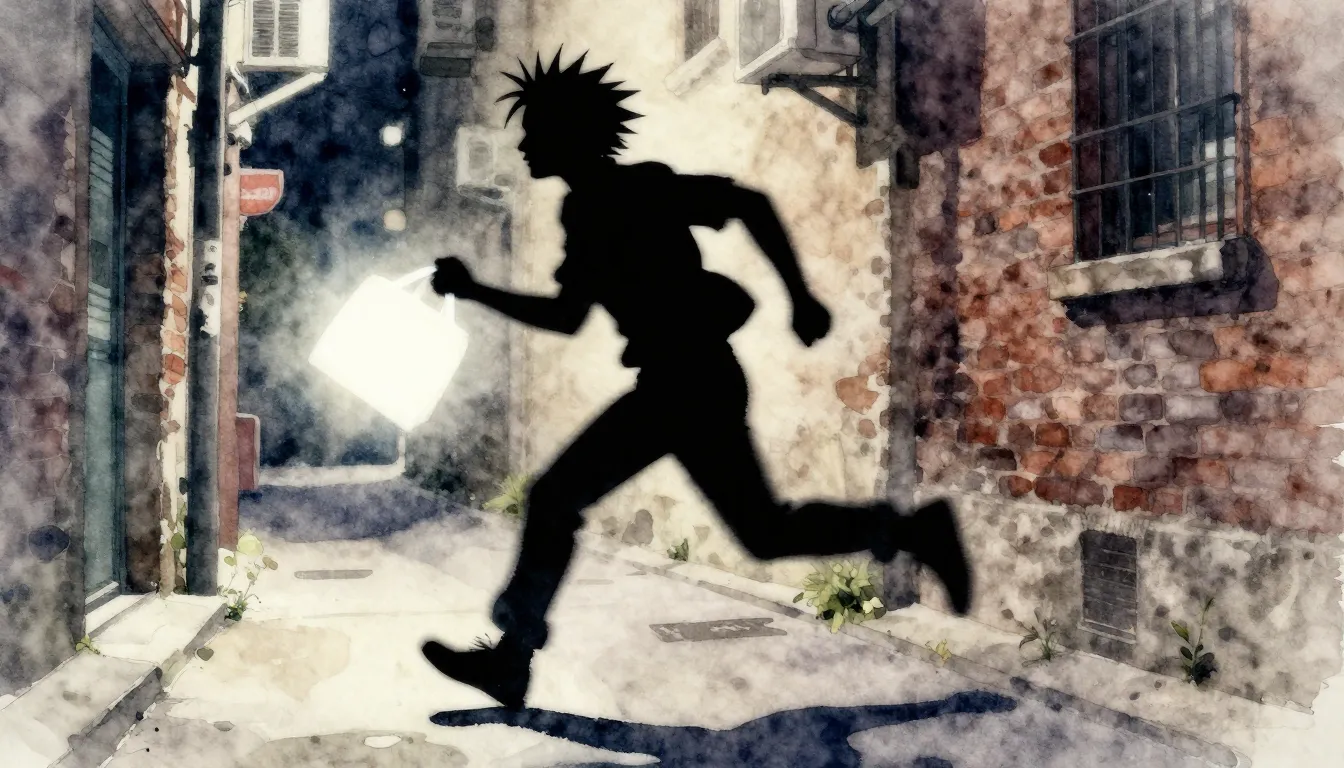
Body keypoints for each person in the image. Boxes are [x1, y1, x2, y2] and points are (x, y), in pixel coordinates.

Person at [423, 50, 971, 710]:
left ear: (568, 135)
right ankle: (912, 531)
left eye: (534, 132)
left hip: (688, 382)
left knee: (556, 500)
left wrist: (799, 296)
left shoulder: (636, 190)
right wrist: (475, 291)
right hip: (682, 381)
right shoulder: (586, 209)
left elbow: (747, 204)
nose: (524, 146)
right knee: (761, 532)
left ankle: (512, 660)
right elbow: (569, 315)